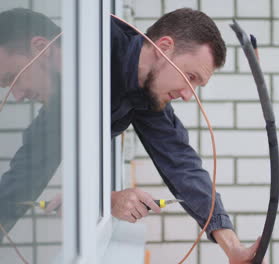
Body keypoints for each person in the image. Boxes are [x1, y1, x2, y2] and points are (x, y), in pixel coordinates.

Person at [0, 8, 264, 263]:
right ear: (163, 48)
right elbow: (24, 178)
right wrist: (102, 199)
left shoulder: (144, 87)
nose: (187, 94)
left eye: (15, 79)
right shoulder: (94, 56)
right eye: (189, 76)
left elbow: (182, 164)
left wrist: (233, 247)